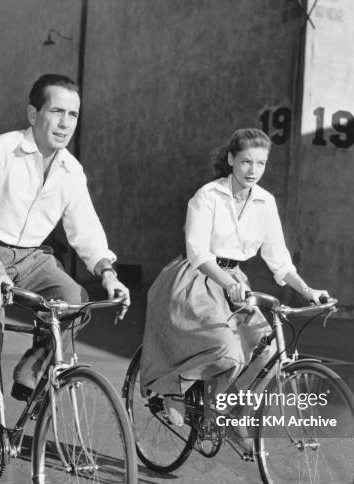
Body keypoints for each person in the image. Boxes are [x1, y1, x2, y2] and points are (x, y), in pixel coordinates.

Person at [0, 74, 129, 484]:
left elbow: (85, 229)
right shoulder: (0, 149)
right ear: (34, 113)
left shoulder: (70, 169)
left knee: (75, 303)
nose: (66, 123)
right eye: (57, 111)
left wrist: (108, 272)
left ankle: (31, 370)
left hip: (33, 258)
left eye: (74, 114)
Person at [140, 128, 328, 447]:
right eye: (245, 162)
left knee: (267, 350)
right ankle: (173, 386)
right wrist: (228, 283)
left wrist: (308, 291)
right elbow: (198, 253)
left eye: (260, 163)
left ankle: (226, 413)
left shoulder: (265, 202)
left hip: (234, 282)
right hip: (196, 279)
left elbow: (278, 259)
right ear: (231, 160)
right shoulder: (207, 196)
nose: (253, 170)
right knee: (227, 350)